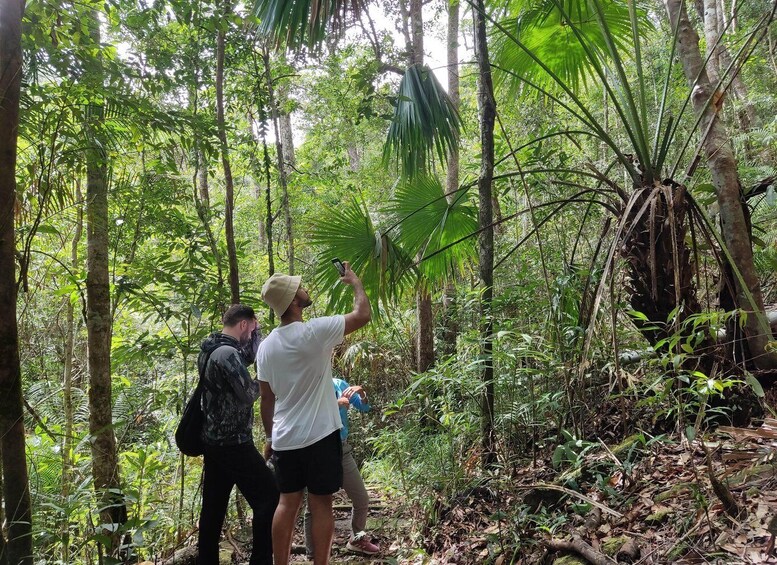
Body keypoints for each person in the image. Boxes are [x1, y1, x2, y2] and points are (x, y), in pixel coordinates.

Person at [257, 263, 371, 565]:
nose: (305, 288)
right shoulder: (315, 331)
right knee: (321, 504)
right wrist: (355, 282)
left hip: (285, 439)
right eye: (300, 287)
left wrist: (270, 436)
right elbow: (363, 315)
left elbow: (266, 400)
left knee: (287, 503)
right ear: (294, 300)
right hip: (321, 436)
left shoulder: (266, 347)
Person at [197, 304, 279, 565]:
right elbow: (249, 394)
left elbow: (235, 372)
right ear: (243, 324)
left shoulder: (210, 349)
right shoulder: (227, 354)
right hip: (234, 443)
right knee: (270, 496)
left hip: (213, 442)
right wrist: (266, 379)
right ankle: (262, 560)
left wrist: (255, 349)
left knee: (213, 509)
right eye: (253, 329)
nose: (253, 335)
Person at [304, 378, 380, 557]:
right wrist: (335, 403)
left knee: (361, 498)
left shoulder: (339, 384)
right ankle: (312, 552)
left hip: (342, 448)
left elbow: (364, 407)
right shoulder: (308, 384)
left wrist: (361, 393)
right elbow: (306, 413)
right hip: (318, 448)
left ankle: (357, 539)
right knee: (315, 504)